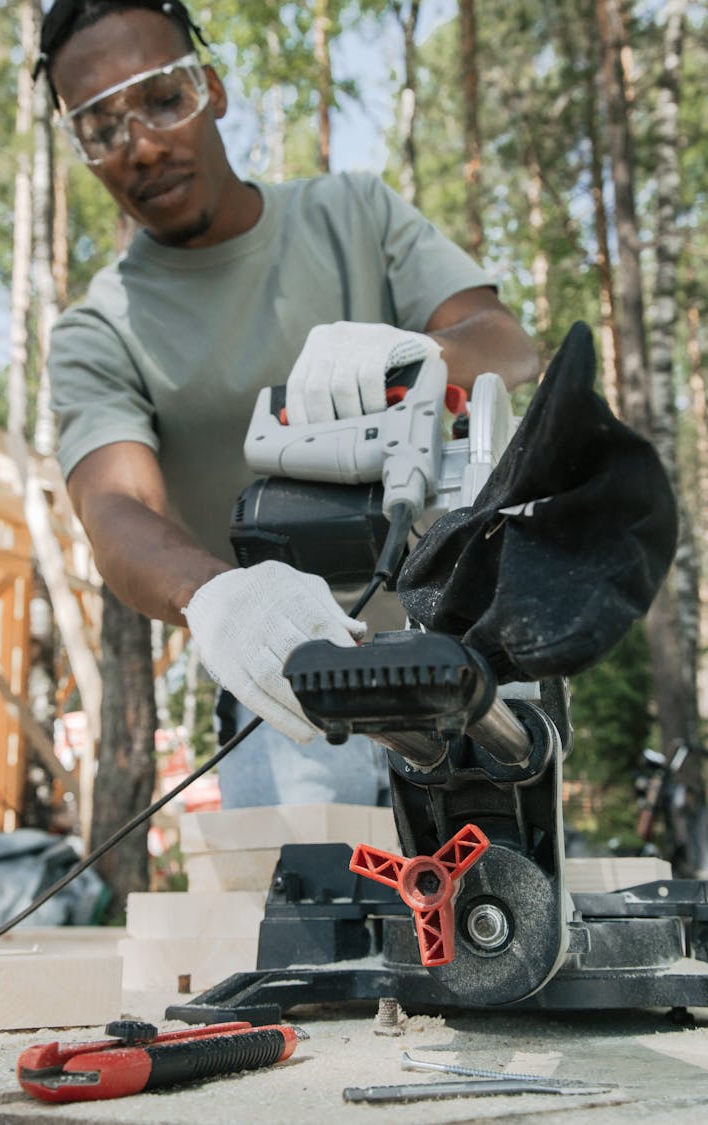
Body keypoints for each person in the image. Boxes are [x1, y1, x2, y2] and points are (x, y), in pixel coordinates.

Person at [36, 0, 539, 808]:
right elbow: (116, 507)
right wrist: (215, 596)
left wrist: (422, 356)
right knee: (320, 921)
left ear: (214, 88)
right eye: (100, 127)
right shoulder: (100, 330)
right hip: (289, 694)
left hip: (465, 660)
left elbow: (508, 344)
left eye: (165, 99)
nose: (143, 146)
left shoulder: (355, 216)